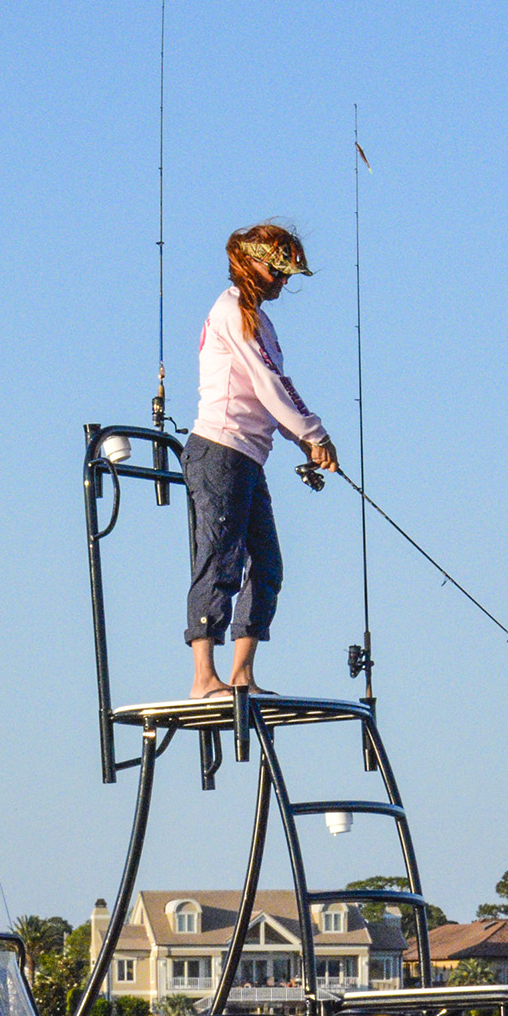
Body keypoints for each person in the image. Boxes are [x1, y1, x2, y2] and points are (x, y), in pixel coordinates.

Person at [186, 222, 339, 698]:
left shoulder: (261, 321)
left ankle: (242, 673)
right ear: (250, 262)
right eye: (276, 270)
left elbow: (275, 388)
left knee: (267, 564)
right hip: (220, 450)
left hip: (250, 457)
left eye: (287, 274)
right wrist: (314, 433)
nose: (281, 281)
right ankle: (204, 676)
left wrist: (304, 442)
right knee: (220, 560)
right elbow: (268, 384)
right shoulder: (231, 311)